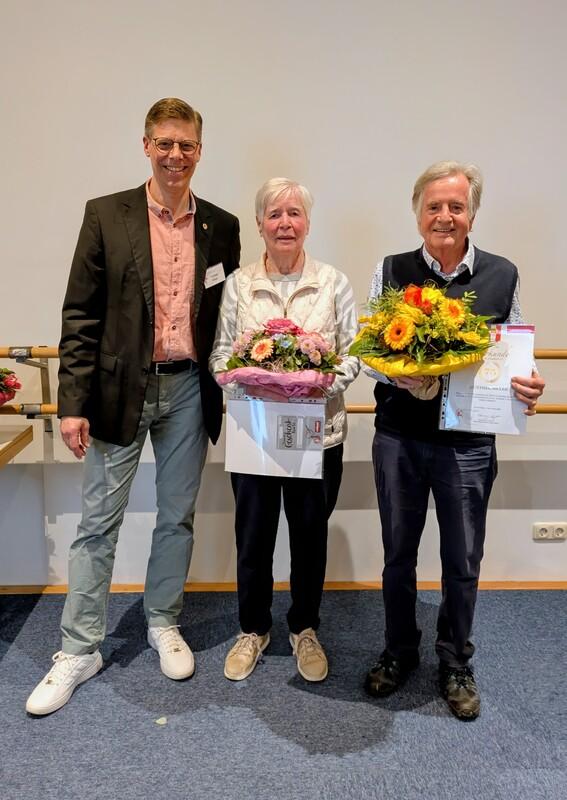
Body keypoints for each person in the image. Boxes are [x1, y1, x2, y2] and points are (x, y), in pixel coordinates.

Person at [26, 98, 240, 715]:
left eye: (187, 145)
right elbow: (80, 315)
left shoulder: (221, 226)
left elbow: (228, 315)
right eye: (164, 143)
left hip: (190, 389)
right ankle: (79, 648)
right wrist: (72, 403)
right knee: (98, 522)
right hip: (121, 389)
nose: (176, 155)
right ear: (146, 145)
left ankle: (162, 620)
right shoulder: (106, 215)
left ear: (200, 150)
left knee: (177, 517)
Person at [363, 161, 545, 720]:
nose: (445, 216)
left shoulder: (502, 274)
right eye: (434, 207)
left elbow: (514, 350)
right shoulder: (390, 270)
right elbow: (368, 353)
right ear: (417, 213)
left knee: (462, 559)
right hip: (399, 436)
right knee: (398, 554)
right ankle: (399, 650)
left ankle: (455, 659)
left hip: (468, 445)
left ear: (472, 214)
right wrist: (397, 374)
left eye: (456, 207)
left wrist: (529, 381)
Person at [209, 178, 359, 682]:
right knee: (253, 537)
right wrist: (244, 377)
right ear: (260, 225)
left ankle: (304, 628)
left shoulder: (333, 282)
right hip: (254, 432)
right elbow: (220, 354)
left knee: (309, 537)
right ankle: (253, 628)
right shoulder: (238, 284)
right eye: (274, 215)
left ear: (308, 223)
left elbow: (354, 355)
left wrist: (317, 380)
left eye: (294, 213)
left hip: (318, 433)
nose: (285, 223)